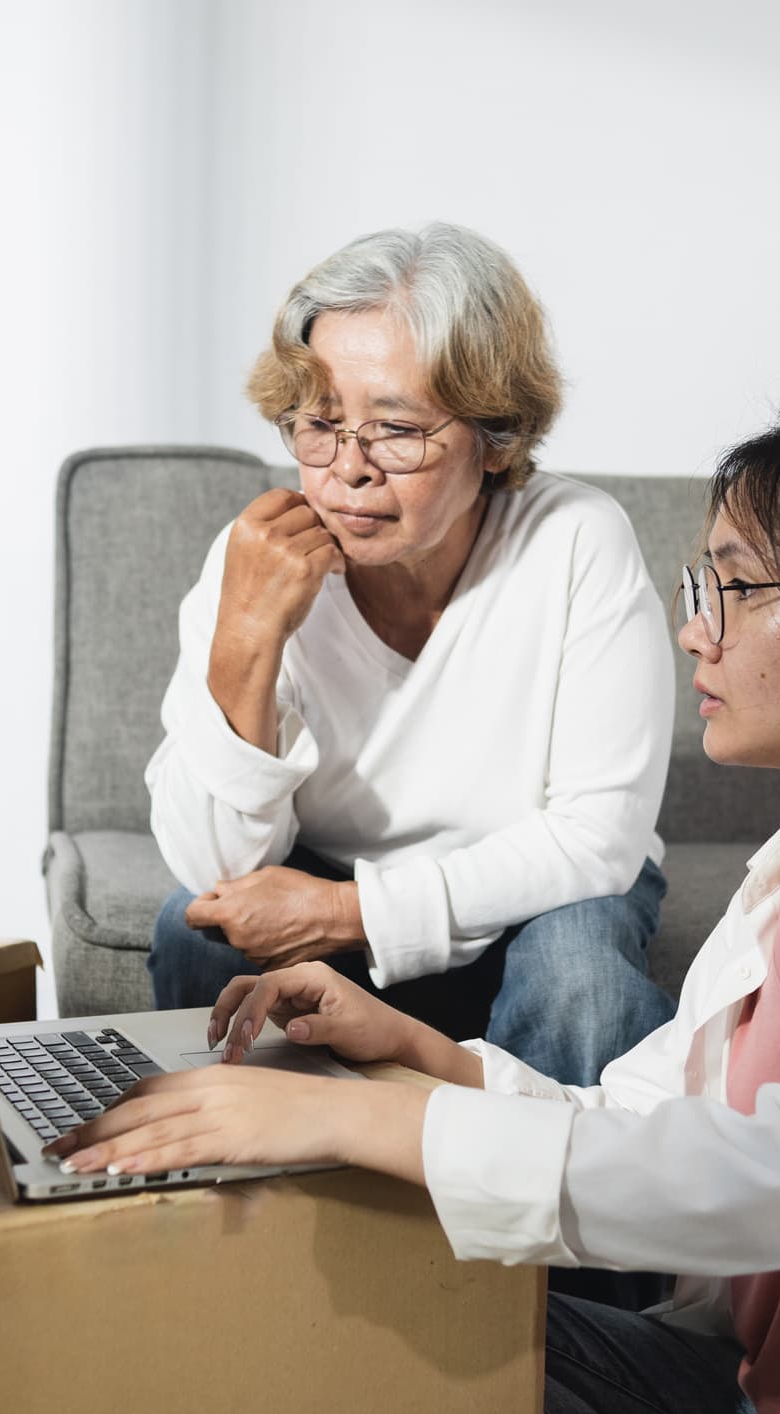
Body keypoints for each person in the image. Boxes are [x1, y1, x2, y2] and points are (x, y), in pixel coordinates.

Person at [63, 381, 780, 1413]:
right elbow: (639, 1114)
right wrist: (421, 1052)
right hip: (731, 1386)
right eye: (699, 581)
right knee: (336, 1329)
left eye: (734, 585)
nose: (692, 630)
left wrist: (348, 1117)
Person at [144, 222, 677, 1089]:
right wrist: (245, 635)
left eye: (394, 429)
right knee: (189, 930)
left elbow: (597, 841)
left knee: (583, 980)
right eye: (318, 423)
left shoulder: (575, 539)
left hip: (534, 901)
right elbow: (214, 872)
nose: (347, 471)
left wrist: (349, 914)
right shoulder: (257, 558)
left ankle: (552, 1209)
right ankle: (268, 1213)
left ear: (493, 436)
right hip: (328, 869)